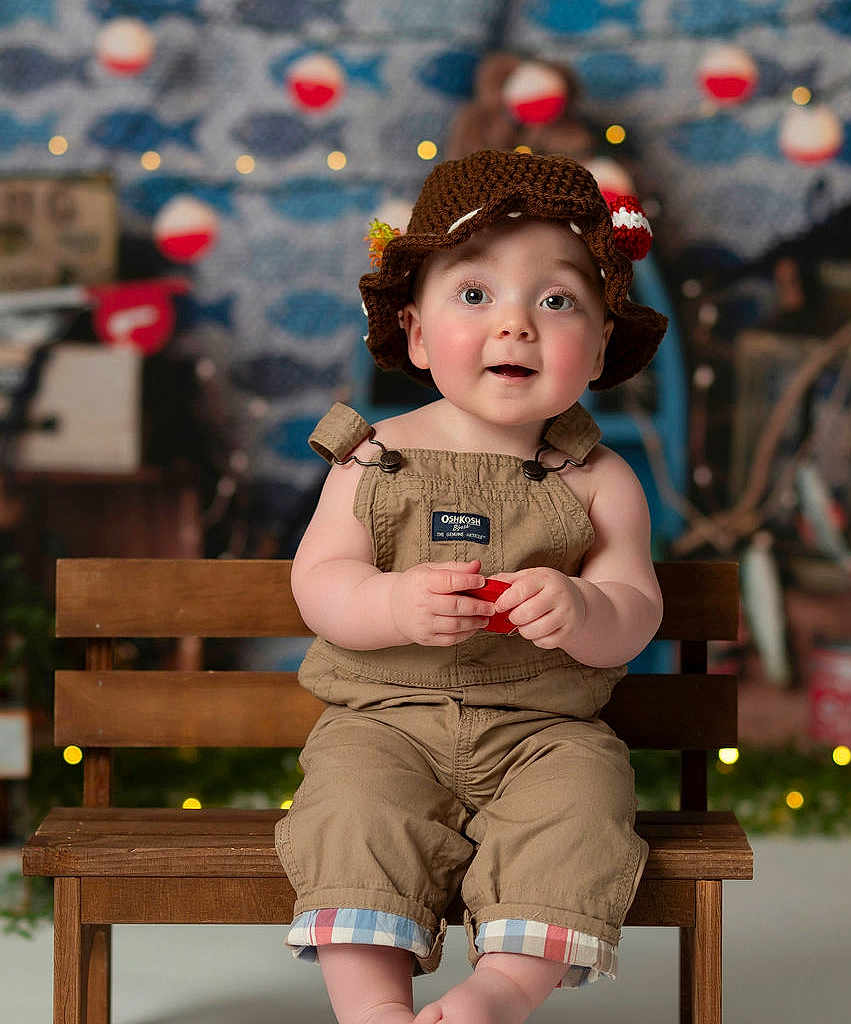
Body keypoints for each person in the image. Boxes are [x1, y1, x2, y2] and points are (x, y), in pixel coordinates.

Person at [275, 148, 669, 1024]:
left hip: (544, 732)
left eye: (557, 300)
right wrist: (389, 603)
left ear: (602, 342)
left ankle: (497, 994)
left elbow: (636, 609)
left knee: (583, 808)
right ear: (415, 333)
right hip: (385, 723)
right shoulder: (373, 456)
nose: (516, 325)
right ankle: (373, 1005)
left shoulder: (597, 478)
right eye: (475, 294)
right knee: (351, 812)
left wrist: (584, 609)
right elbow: (320, 581)